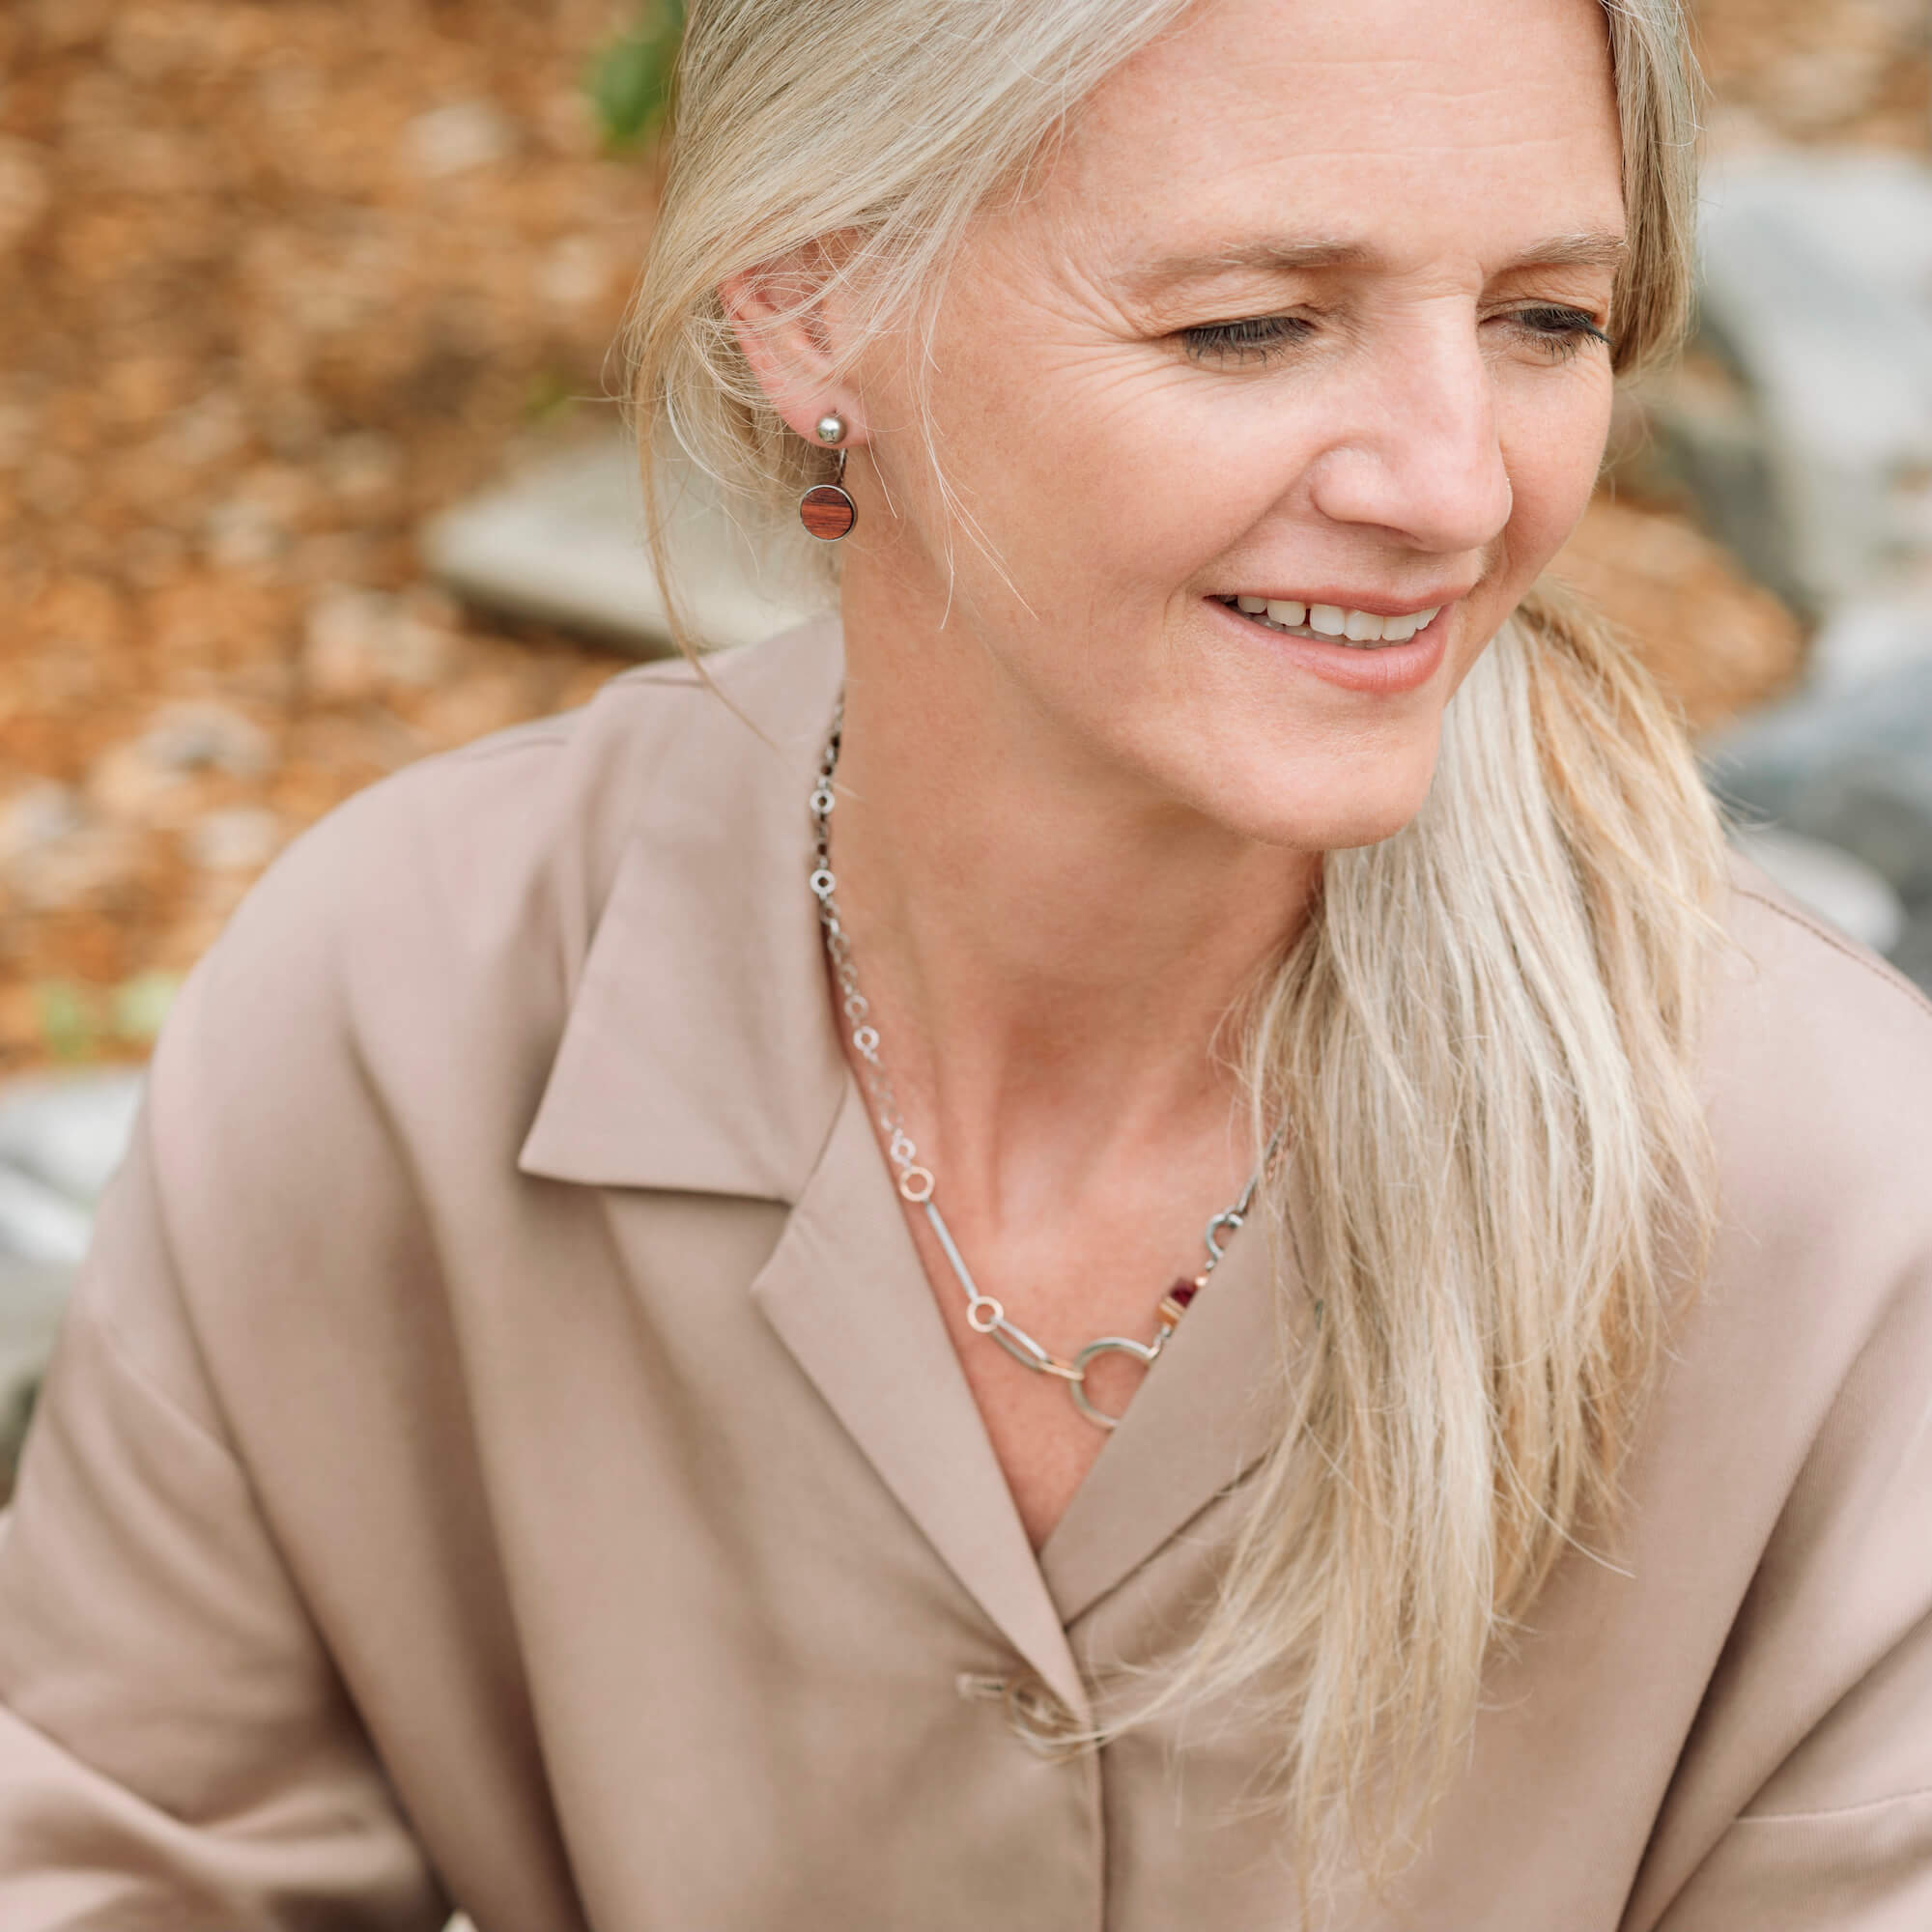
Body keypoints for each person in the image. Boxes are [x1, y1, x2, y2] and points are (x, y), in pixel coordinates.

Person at [2, 0, 1929, 1924]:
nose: (1456, 489)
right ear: (808, 302)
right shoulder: (399, 1017)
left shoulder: (1838, 1203)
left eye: (1545, 323)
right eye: (1250, 323)